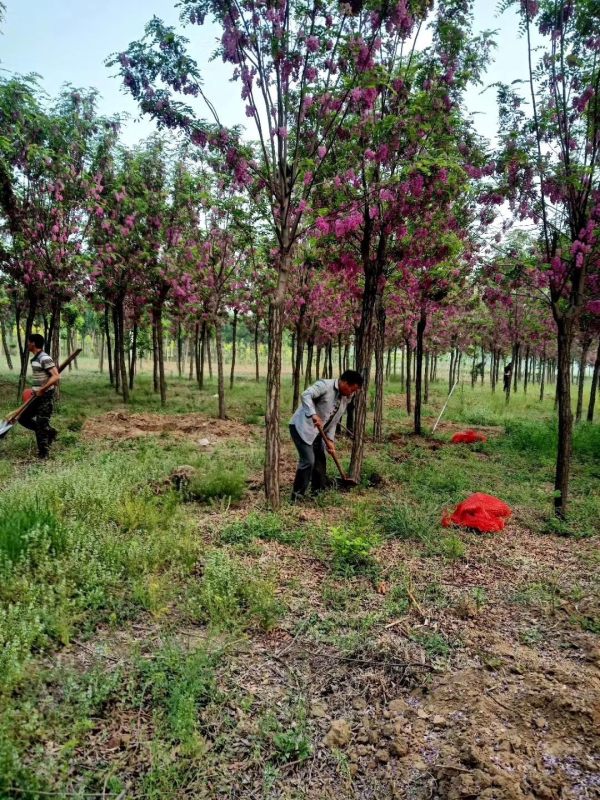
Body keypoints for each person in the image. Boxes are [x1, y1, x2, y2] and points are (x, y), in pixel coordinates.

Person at [289, 370, 363, 501]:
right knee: (308, 461)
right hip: (302, 427)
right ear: (345, 382)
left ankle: (318, 491)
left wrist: (330, 440)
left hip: (319, 432)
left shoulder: (346, 398)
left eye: (355, 390)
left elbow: (333, 420)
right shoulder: (324, 385)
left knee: (320, 461)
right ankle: (296, 496)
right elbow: (306, 394)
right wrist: (313, 414)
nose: (352, 392)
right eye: (352, 388)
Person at [18, 333, 60, 459]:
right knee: (23, 418)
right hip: (36, 396)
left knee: (41, 424)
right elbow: (41, 378)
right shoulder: (36, 358)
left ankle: (44, 454)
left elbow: (56, 376)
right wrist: (35, 389)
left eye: (29, 342)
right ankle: (49, 431)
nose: (27, 344)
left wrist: (42, 389)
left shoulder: (44, 357)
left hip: (45, 396)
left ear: (33, 343)